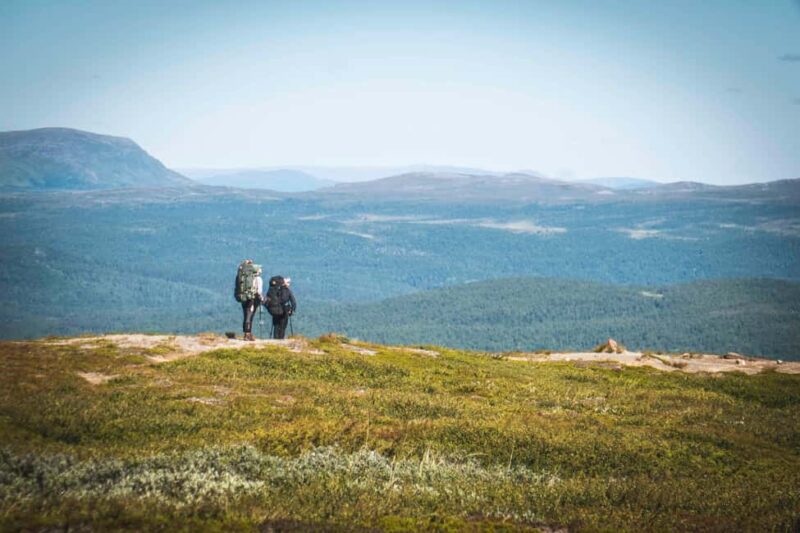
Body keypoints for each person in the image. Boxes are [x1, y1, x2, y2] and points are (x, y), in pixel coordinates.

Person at [236, 260, 263, 341]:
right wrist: (261, 298)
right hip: (252, 299)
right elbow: (259, 291)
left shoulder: (241, 276)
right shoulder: (257, 279)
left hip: (243, 297)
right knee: (249, 315)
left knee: (246, 315)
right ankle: (248, 334)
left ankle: (246, 333)